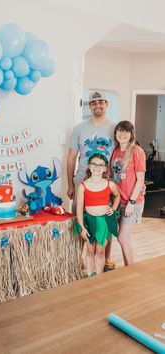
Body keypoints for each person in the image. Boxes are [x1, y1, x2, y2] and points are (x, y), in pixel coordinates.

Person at [67, 90, 116, 270]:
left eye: (101, 102)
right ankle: (76, 258)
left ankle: (106, 257)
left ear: (106, 104)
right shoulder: (79, 128)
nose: (97, 105)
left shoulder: (115, 128)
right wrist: (71, 183)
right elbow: (72, 157)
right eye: (94, 103)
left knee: (106, 222)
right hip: (82, 182)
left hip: (105, 185)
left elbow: (121, 155)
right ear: (90, 106)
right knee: (79, 221)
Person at [76, 153, 120, 276]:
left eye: (101, 165)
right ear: (89, 167)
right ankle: (90, 275)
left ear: (105, 168)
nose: (97, 167)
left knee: (100, 251)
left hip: (103, 222)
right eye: (94, 164)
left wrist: (114, 208)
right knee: (90, 250)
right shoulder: (83, 186)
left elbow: (117, 196)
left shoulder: (109, 184)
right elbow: (79, 208)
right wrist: (82, 227)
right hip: (89, 221)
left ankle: (99, 277)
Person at [111, 121, 146, 266]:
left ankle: (131, 270)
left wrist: (131, 202)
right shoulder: (116, 151)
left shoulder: (137, 151)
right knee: (122, 238)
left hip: (132, 202)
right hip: (118, 201)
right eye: (119, 131)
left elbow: (140, 180)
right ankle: (128, 268)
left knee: (123, 238)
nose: (122, 134)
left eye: (126, 131)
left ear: (131, 134)